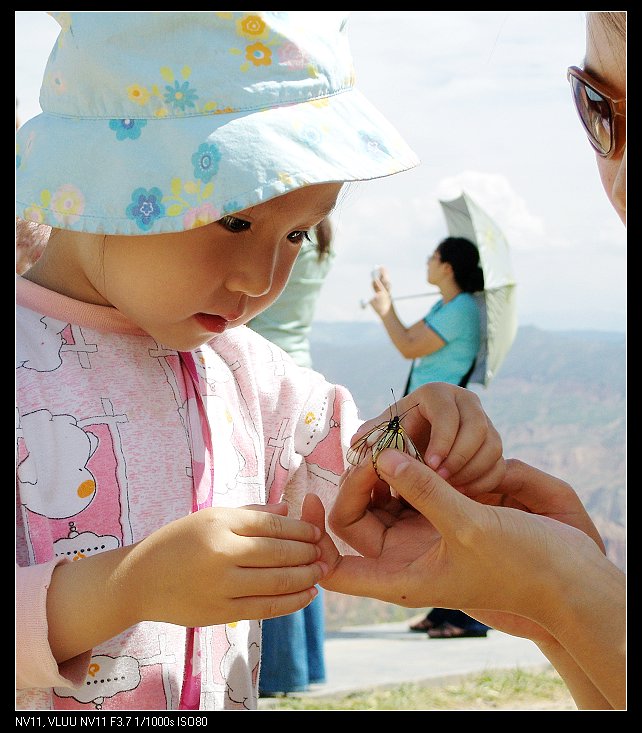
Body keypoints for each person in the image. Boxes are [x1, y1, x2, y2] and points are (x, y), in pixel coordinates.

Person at [15, 11, 506, 712]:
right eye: (236, 219)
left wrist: (422, 439)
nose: (259, 278)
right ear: (108, 175)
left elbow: (356, 492)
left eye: (298, 232)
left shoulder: (251, 376)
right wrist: (123, 587)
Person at [305, 10, 626, 711]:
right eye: (598, 108)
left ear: (449, 266)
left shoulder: (453, 310)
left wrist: (571, 589)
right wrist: (564, 605)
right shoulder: (459, 305)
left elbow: (410, 346)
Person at [369, 237, 489, 638]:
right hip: (430, 419)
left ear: (447, 266)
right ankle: (444, 608)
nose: (427, 261)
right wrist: (388, 301)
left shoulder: (461, 311)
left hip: (443, 423)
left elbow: (407, 346)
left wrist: (385, 310)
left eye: (432, 256)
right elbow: (409, 336)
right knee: (430, 514)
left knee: (445, 513)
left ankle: (467, 615)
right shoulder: (447, 307)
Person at [247, 218, 335, 695]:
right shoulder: (323, 247)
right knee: (303, 520)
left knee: (271, 521)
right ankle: (307, 665)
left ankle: (278, 670)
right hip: (304, 370)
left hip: (264, 381)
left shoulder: (271, 241)